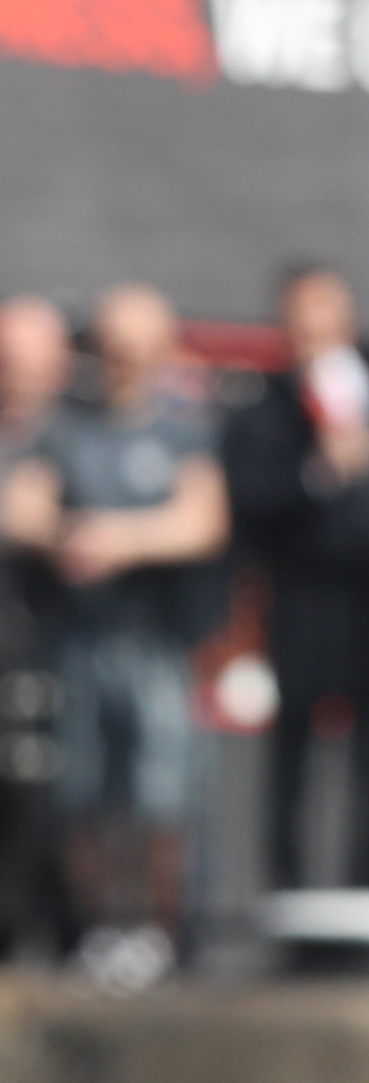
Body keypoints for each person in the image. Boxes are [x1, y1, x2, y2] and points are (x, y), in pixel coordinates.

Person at [0, 284, 230, 985]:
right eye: (111, 348)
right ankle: (99, 928)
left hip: (157, 637)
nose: (122, 362)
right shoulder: (67, 429)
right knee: (85, 790)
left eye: (135, 348)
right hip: (82, 637)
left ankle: (162, 932)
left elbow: (202, 521)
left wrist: (121, 538)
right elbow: (16, 508)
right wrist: (66, 534)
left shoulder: (185, 431)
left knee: (163, 791)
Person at [224, 263, 369, 891]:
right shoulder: (266, 409)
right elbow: (251, 499)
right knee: (293, 755)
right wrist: (317, 472)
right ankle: (289, 897)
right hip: (304, 593)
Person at [0, 295, 75, 962]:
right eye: (1, 359)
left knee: (50, 797)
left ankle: (63, 930)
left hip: (51, 641)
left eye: (24, 360)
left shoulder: (74, 434)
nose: (9, 373)